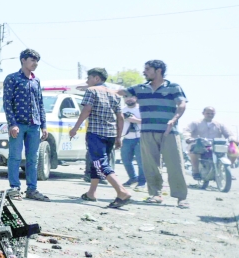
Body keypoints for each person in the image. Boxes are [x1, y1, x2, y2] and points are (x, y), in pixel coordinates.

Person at [109, 60, 189, 207]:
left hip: (169, 132)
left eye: (147, 69)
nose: (144, 72)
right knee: (151, 165)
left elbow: (182, 104)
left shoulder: (173, 87)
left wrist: (174, 119)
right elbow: (120, 92)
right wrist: (97, 88)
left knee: (175, 165)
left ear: (158, 70)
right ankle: (155, 194)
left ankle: (181, 198)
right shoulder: (140, 88)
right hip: (147, 132)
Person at [69, 68, 132, 207]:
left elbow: (87, 110)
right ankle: (91, 193)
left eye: (89, 78)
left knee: (100, 164)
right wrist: (118, 137)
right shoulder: (114, 94)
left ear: (96, 78)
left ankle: (122, 192)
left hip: (95, 134)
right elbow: (120, 117)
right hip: (110, 134)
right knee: (96, 163)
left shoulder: (91, 91)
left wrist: (75, 127)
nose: (87, 81)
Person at [2, 49, 50, 201]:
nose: (35, 64)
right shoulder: (12, 78)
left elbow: (40, 104)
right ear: (23, 60)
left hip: (34, 126)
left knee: (33, 158)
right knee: (15, 157)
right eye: (32, 60)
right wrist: (12, 124)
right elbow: (7, 102)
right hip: (18, 125)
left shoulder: (36, 81)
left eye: (37, 61)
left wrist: (43, 125)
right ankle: (14, 189)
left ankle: (32, 189)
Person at [186, 107, 236, 181]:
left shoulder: (219, 124)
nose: (210, 115)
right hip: (199, 144)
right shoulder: (195, 123)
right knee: (194, 151)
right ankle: (196, 171)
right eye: (208, 113)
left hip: (216, 145)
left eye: (212, 113)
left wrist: (232, 138)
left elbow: (229, 134)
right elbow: (187, 131)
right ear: (203, 113)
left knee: (233, 149)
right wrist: (188, 137)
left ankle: (227, 171)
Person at [121, 94, 145, 189]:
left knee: (140, 161)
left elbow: (148, 121)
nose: (128, 99)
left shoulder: (142, 109)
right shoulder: (122, 110)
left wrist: (135, 120)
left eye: (131, 96)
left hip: (140, 137)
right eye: (126, 97)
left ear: (136, 98)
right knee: (126, 159)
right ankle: (133, 178)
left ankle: (142, 181)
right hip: (127, 137)